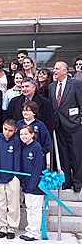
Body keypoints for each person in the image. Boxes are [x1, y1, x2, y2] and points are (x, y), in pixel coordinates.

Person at [48, 61, 82, 192]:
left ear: (65, 71)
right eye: (54, 68)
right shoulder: (51, 86)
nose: (54, 71)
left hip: (74, 126)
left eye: (57, 69)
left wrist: (79, 121)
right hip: (58, 126)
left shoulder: (75, 84)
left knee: (76, 154)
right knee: (63, 155)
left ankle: (78, 181)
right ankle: (66, 180)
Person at [0, 119, 21, 239]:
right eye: (5, 129)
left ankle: (12, 228)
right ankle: (2, 227)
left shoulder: (17, 140)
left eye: (10, 130)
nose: (7, 132)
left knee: (13, 203)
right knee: (0, 203)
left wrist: (15, 174)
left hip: (13, 176)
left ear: (15, 130)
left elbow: (17, 157)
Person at [19, 125, 45, 241]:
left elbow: (37, 168)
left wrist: (32, 184)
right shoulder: (24, 147)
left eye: (26, 134)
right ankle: (29, 230)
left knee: (36, 209)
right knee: (29, 208)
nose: (23, 136)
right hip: (26, 185)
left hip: (35, 185)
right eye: (21, 134)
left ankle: (35, 233)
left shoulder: (37, 148)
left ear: (32, 135)